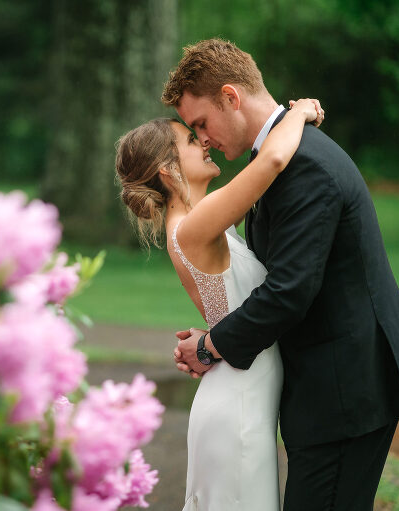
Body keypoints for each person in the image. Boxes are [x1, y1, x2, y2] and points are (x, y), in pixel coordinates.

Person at [163, 39, 399, 511]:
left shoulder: (303, 166)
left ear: (231, 97)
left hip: (344, 393)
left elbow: (289, 291)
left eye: (201, 124)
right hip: (325, 391)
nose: (203, 138)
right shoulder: (280, 159)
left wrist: (211, 347)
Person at [115, 98, 323, 510]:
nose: (205, 143)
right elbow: (273, 161)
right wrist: (298, 113)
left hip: (241, 394)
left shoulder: (196, 222)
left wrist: (209, 340)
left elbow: (233, 300)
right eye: (192, 140)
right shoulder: (194, 224)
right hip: (238, 410)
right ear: (169, 171)